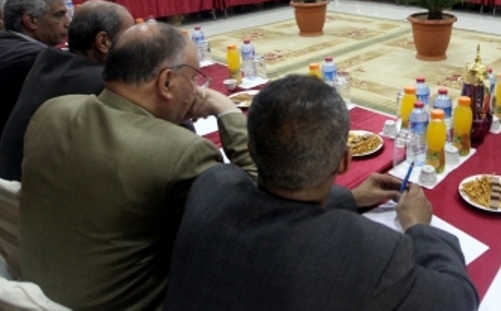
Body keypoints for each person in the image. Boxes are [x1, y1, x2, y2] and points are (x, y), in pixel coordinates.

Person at [165, 75, 479, 311]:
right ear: (345, 161)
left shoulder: (211, 186)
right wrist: (420, 228)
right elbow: (460, 300)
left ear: (252, 149)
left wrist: (351, 198)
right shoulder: (374, 254)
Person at [19, 22, 258, 310]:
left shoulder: (53, 110)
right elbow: (256, 208)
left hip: (30, 294)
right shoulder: (182, 153)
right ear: (166, 82)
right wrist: (227, 111)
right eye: (194, 78)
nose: (197, 90)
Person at [0, 0, 134, 181]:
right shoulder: (107, 83)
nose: (137, 46)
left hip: (12, 184)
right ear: (103, 42)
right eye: (131, 38)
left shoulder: (47, 63)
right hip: (36, 190)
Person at [0, 0, 70, 138]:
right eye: (59, 15)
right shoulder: (37, 58)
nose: (67, 22)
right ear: (31, 21)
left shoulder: (5, 42)